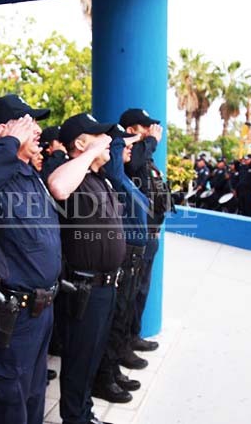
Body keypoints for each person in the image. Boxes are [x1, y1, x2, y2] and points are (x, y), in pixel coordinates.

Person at [0, 94, 60, 424]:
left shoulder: (28, 173)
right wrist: (7, 146)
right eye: (28, 122)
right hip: (12, 315)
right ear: (5, 130)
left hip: (42, 312)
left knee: (34, 398)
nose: (37, 129)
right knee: (7, 403)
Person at [48, 113, 124, 424]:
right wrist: (91, 152)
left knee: (92, 356)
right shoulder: (67, 171)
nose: (108, 140)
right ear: (80, 143)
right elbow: (58, 187)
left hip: (107, 285)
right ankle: (75, 418)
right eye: (98, 136)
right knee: (80, 358)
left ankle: (84, 413)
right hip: (84, 287)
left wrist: (98, 154)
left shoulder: (98, 177)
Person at [92, 126, 148, 404]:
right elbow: (116, 159)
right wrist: (126, 140)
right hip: (124, 258)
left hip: (135, 258)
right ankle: (105, 377)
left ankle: (112, 370)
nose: (128, 148)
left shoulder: (125, 177)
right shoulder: (113, 175)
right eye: (121, 145)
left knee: (123, 318)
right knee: (114, 322)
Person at [121, 108, 166, 360]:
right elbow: (133, 164)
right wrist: (150, 141)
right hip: (135, 237)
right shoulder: (130, 154)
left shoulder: (146, 155)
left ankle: (133, 336)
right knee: (130, 291)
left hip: (151, 233)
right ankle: (123, 345)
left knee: (141, 290)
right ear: (130, 131)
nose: (150, 131)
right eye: (144, 127)